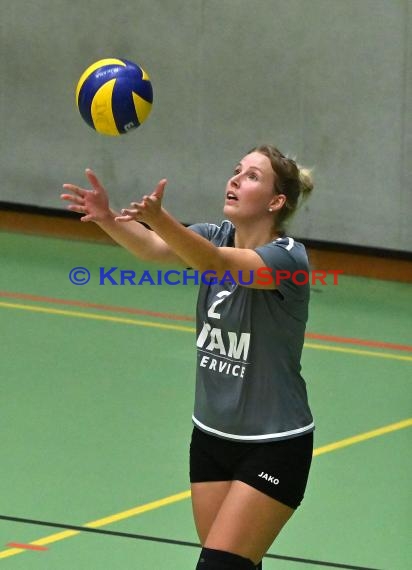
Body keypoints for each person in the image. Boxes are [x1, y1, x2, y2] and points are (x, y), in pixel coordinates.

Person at [61, 145, 315, 570]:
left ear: (276, 201)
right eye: (236, 170)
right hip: (211, 438)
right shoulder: (214, 235)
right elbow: (152, 249)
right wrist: (106, 218)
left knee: (219, 567)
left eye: (252, 176)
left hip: (273, 444)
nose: (235, 179)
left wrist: (161, 219)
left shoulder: (289, 259)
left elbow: (214, 264)